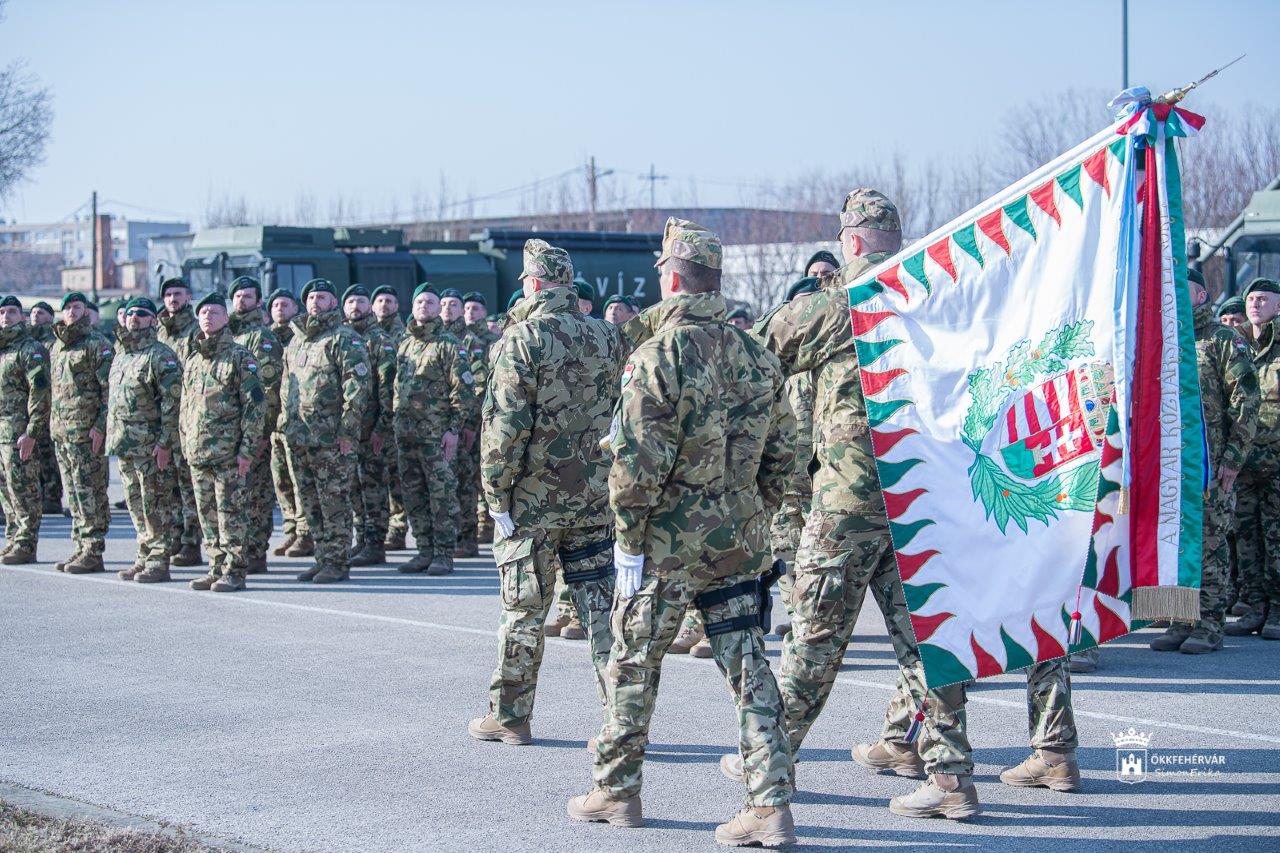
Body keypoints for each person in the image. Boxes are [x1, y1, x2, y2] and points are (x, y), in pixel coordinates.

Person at [568, 219, 796, 846]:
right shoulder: (756, 353)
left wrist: (628, 542)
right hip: (736, 540)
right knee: (748, 663)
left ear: (671, 278)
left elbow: (637, 463)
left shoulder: (656, 355)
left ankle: (616, 791)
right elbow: (785, 453)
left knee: (633, 662)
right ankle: (770, 802)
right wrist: (749, 511)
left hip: (666, 541)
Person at [758, 189, 978, 818]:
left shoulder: (835, 304)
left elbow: (757, 358)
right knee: (928, 643)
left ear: (851, 240)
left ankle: (770, 761)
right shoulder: (938, 298)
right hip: (923, 499)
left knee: (813, 640)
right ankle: (952, 781)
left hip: (849, 501)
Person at [468, 238, 623, 746]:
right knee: (602, 613)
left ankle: (510, 715)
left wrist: (496, 496)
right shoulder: (607, 335)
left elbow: (504, 426)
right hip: (595, 499)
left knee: (523, 611)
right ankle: (621, 720)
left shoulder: (523, 338)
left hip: (532, 503)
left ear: (533, 283)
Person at [1149, 270, 1258, 651]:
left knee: (1209, 540)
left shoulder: (1222, 339)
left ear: (1201, 295)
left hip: (1210, 463)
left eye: (1185, 288)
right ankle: (1180, 620)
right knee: (1174, 541)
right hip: (1168, 464)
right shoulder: (1162, 338)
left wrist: (1233, 458)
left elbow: (1246, 402)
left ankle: (1210, 624)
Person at [281, 278, 370, 584]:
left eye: (322, 297)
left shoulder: (344, 338)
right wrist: (285, 423)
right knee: (310, 503)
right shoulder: (297, 341)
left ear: (333, 303)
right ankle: (322, 557)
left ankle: (337, 560)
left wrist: (347, 431)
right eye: (311, 297)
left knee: (334, 501)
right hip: (299, 436)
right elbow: (286, 387)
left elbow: (356, 388)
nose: (316, 302)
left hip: (331, 438)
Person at [181, 293, 265, 593]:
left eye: (214, 312)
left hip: (228, 455)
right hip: (198, 453)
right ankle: (215, 567)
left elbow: (254, 408)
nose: (207, 316)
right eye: (203, 312)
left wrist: (247, 451)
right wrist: (185, 442)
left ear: (226, 318)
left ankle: (234, 570)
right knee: (207, 517)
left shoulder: (241, 358)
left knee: (231, 515)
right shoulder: (193, 359)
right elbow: (186, 407)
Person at [392, 283, 471, 575]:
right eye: (419, 302)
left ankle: (443, 554)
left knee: (442, 496)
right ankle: (423, 551)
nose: (423, 306)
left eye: (429, 302)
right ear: (412, 308)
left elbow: (462, 391)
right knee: (413, 494)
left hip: (436, 436)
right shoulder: (405, 344)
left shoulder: (449, 344)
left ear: (439, 309)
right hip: (407, 434)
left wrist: (453, 430)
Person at [108, 297, 182, 583]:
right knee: (136, 505)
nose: (134, 317)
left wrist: (165, 443)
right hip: (126, 444)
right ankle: (143, 555)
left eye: (141, 314)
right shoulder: (121, 355)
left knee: (156, 505)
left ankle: (159, 560)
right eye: (130, 313)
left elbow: (172, 404)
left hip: (151, 446)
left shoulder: (160, 355)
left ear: (154, 320)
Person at [1227, 276, 1280, 639]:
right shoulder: (1236, 343)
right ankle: (1254, 606)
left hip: (1276, 459)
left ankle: (1277, 610)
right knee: (1246, 537)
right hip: (1243, 460)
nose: (1255, 305)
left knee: (1276, 538)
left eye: (1263, 298)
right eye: (1251, 299)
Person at [48, 291, 113, 574]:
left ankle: (93, 550)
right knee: (73, 494)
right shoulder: (57, 347)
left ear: (86, 312)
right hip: (63, 433)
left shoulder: (97, 344)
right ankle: (80, 546)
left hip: (87, 433)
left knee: (90, 491)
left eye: (78, 307)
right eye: (68, 308)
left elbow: (108, 391)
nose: (72, 312)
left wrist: (100, 425)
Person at [227, 276, 283, 575]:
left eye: (248, 296)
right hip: (224, 432)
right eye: (237, 296)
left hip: (253, 432)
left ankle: (255, 551)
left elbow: (269, 390)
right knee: (233, 496)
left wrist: (262, 433)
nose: (241, 301)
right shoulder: (224, 336)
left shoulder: (262, 337)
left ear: (258, 301)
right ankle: (233, 551)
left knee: (256, 494)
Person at [343, 284, 396, 566]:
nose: (356, 306)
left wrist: (381, 428)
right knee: (354, 488)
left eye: (361, 301)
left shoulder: (379, 340)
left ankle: (375, 543)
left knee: (373, 487)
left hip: (372, 428)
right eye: (350, 301)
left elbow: (388, 389)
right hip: (348, 430)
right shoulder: (341, 338)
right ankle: (361, 539)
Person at [0, 294, 50, 565]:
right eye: (2, 312)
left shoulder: (30, 349)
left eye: (12, 312)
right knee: (5, 491)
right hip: (0, 433)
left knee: (24, 489)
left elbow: (40, 392)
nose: (6, 317)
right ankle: (13, 538)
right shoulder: (2, 349)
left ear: (22, 316)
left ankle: (26, 543)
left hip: (18, 432)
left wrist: (32, 432)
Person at [157, 277, 203, 567]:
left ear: (189, 296)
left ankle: (190, 543)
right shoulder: (159, 332)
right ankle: (173, 536)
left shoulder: (195, 331)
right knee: (167, 484)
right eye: (168, 295)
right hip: (161, 417)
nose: (173, 299)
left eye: (178, 294)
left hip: (186, 417)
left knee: (188, 486)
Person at [267, 288, 311, 557]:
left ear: (296, 309)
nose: (280, 308)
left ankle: (306, 534)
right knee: (281, 481)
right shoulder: (266, 338)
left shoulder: (302, 337)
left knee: (300, 481)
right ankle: (291, 530)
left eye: (286, 304)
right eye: (276, 305)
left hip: (300, 422)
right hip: (276, 421)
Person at [439, 288, 482, 557]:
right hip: (434, 425)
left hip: (462, 424)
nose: (447, 308)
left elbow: (477, 385)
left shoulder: (470, 341)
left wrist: (468, 424)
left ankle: (467, 538)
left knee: (464, 483)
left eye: (454, 304)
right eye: (443, 304)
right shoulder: (432, 340)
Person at [462, 291, 500, 549]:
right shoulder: (460, 340)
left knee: (483, 473)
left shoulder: (490, 341)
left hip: (485, 414)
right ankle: (475, 522)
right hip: (467, 416)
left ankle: (486, 522)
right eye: (467, 308)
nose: (470, 312)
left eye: (476, 308)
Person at [372, 285, 409, 551]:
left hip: (394, 416)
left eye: (389, 300)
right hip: (369, 417)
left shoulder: (403, 336)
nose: (384, 304)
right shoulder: (361, 336)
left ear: (397, 306)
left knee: (396, 477)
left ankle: (397, 528)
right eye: (380, 300)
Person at [27, 301, 60, 515]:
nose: (36, 316)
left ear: (50, 317)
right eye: (33, 313)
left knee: (48, 453)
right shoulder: (27, 342)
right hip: (33, 405)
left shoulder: (52, 342)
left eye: (41, 313)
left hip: (50, 404)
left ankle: (52, 495)